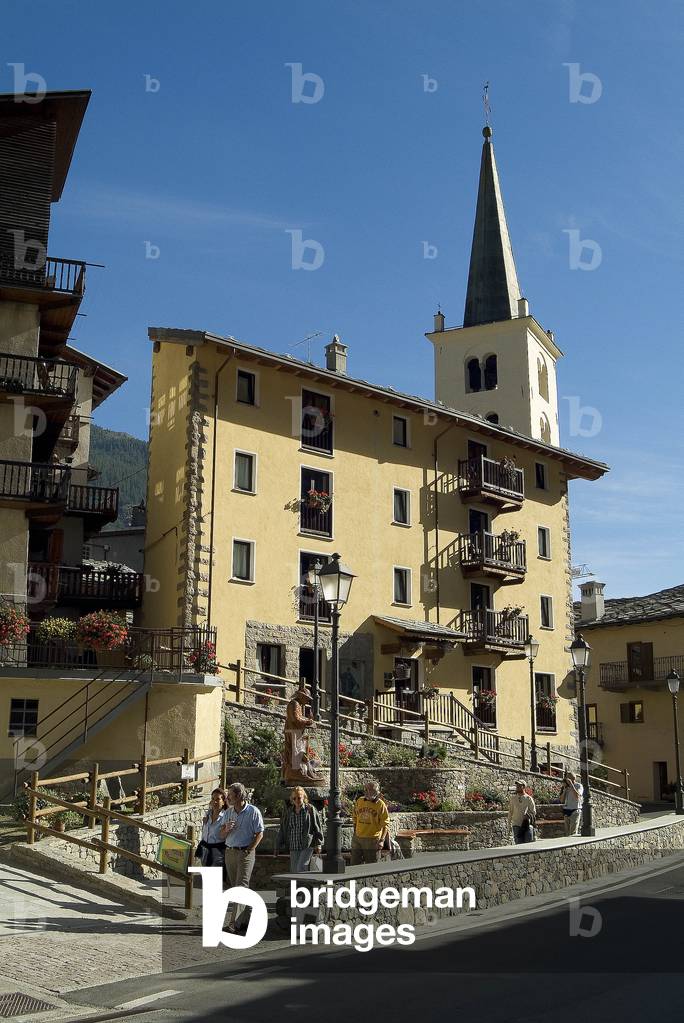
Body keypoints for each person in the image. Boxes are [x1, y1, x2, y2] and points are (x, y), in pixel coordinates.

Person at [220, 782, 264, 933]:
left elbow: (260, 833)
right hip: (230, 852)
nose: (227, 798)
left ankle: (234, 924)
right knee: (236, 888)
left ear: (239, 795)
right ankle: (247, 918)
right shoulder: (228, 812)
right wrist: (226, 829)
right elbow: (221, 835)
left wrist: (249, 849)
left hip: (245, 853)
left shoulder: (253, 811)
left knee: (240, 888)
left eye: (230, 795)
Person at [277, 786, 324, 871]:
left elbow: (317, 827)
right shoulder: (289, 812)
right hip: (293, 845)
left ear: (304, 797)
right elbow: (283, 828)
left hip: (307, 845)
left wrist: (318, 844)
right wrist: (277, 845)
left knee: (301, 868)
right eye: (294, 798)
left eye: (299, 798)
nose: (296, 800)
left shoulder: (310, 809)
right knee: (295, 871)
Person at [351, 780, 389, 864]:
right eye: (366, 789)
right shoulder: (359, 801)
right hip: (357, 838)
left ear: (377, 792)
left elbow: (385, 824)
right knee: (354, 864)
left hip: (372, 840)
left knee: (372, 865)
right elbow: (355, 818)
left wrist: (382, 840)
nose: (367, 792)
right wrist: (355, 833)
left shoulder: (380, 804)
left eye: (371, 790)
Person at [198, 788, 230, 882]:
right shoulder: (208, 814)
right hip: (205, 848)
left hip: (218, 850)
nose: (214, 802)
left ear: (223, 802)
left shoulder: (226, 816)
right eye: (213, 799)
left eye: (218, 799)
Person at [508, 780, 536, 844]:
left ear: (523, 787)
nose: (517, 787)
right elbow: (510, 812)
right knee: (519, 846)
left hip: (527, 825)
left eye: (519, 785)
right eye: (517, 785)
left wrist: (527, 815)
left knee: (528, 846)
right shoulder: (513, 799)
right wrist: (509, 824)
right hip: (516, 825)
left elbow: (533, 812)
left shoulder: (529, 798)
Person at [559, 771, 584, 836]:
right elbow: (561, 800)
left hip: (575, 810)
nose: (566, 780)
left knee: (573, 832)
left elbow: (577, 796)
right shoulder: (566, 787)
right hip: (566, 810)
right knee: (567, 833)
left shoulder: (579, 786)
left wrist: (571, 785)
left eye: (567, 778)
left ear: (573, 779)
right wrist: (564, 790)